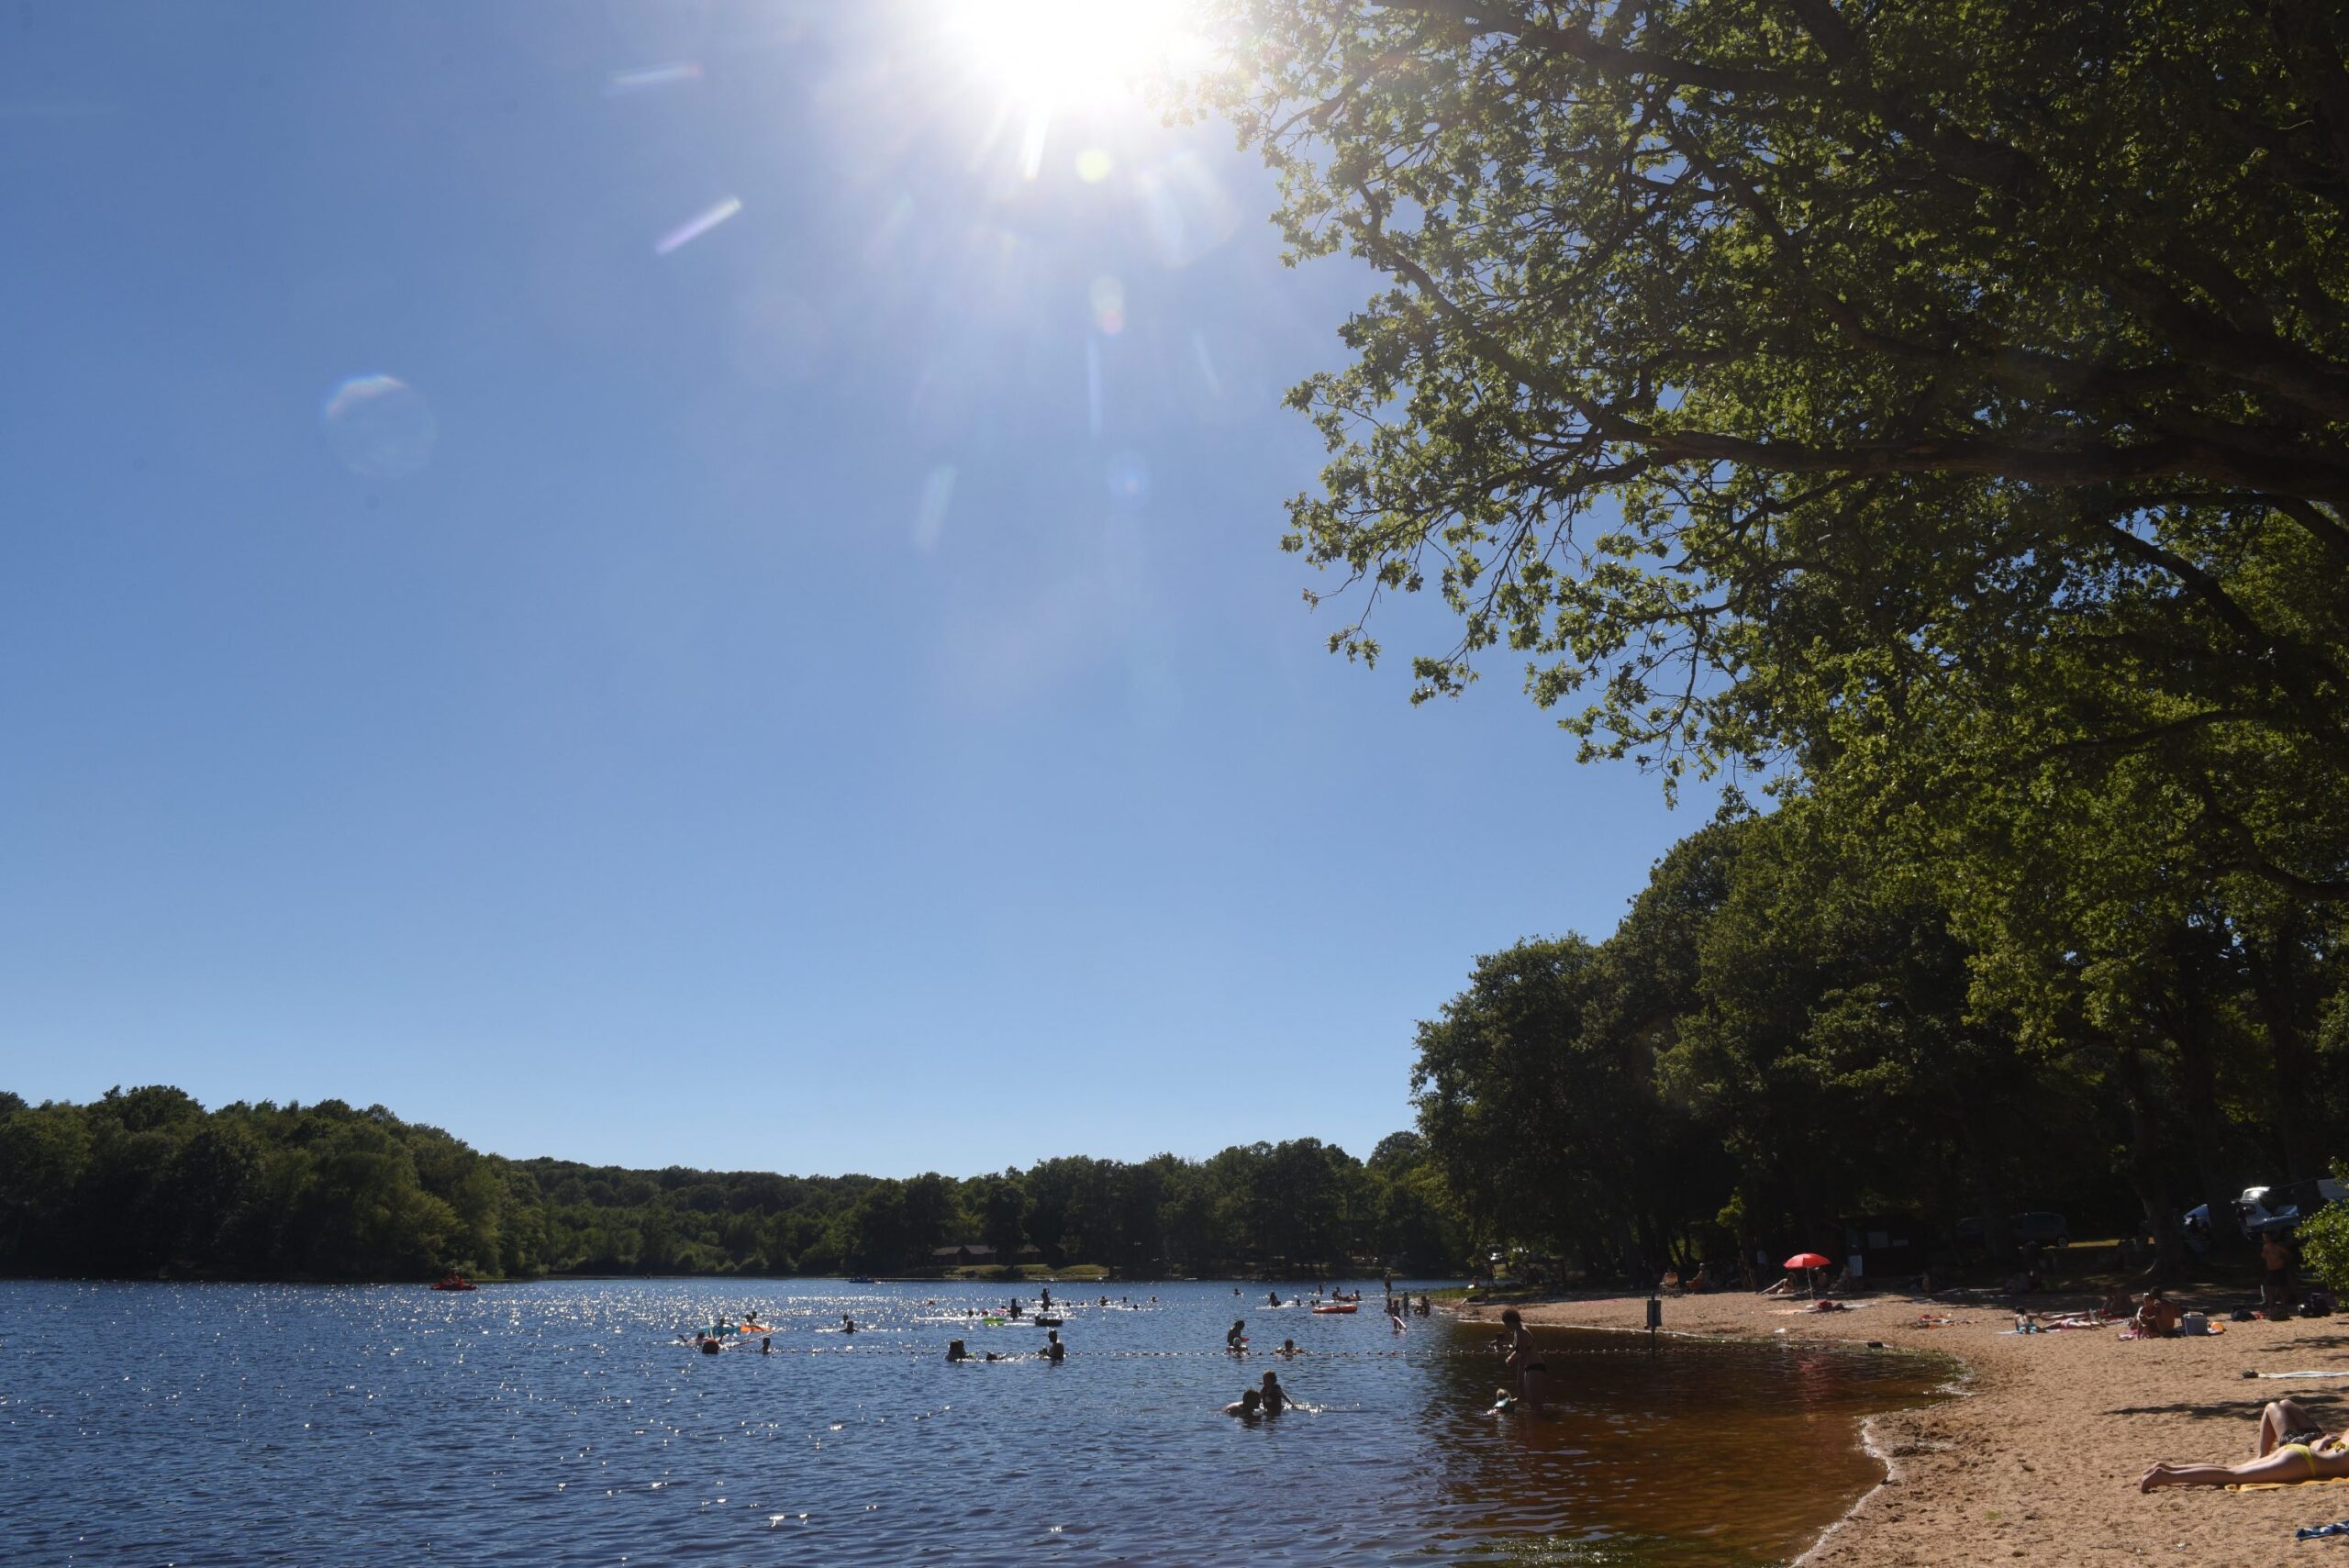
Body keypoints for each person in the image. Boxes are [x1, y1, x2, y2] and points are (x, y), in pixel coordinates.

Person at [2141, 1399, 2349, 1490]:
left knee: (2232, 1469)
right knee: (2234, 1475)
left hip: (2298, 1454)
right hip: (2303, 1462)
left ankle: (2170, 1469)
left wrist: (2320, 1445)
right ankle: (2168, 1476)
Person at [1493, 1307, 1547, 1415]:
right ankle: (1534, 1423)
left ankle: (1542, 1421)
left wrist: (1519, 1380)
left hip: (1536, 1367)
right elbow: (1521, 1350)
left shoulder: (1521, 1332)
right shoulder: (1517, 1331)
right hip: (1530, 1368)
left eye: (1506, 1324)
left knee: (1536, 1403)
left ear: (1512, 1321)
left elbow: (1523, 1357)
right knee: (1529, 1401)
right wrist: (1510, 1358)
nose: (1506, 1326)